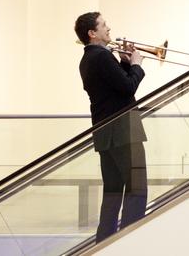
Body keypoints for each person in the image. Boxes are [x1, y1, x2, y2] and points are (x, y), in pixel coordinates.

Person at [75, 12, 148, 242]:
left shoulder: (89, 58)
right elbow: (128, 88)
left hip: (107, 135)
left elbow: (116, 88)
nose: (109, 28)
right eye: (104, 25)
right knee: (137, 189)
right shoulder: (101, 57)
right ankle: (128, 242)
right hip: (123, 131)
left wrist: (125, 64)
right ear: (92, 33)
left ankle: (106, 242)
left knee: (113, 192)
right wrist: (136, 65)